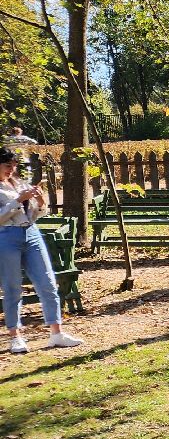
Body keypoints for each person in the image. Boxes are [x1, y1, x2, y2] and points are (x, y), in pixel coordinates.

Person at [0, 148, 83, 354]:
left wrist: (40, 202)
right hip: (7, 237)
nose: (11, 170)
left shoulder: (19, 184)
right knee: (13, 287)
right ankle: (15, 336)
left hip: (31, 233)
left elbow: (35, 215)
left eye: (14, 166)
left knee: (47, 282)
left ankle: (56, 333)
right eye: (7, 166)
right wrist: (17, 200)